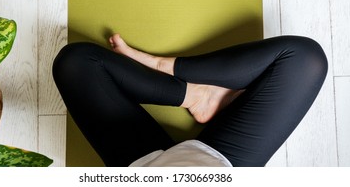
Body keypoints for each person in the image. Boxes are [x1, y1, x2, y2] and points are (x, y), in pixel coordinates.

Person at [52, 34, 328, 167]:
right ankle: (193, 90)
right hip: (224, 161)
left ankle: (186, 87)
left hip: (144, 166)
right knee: (305, 59)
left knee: (75, 63)